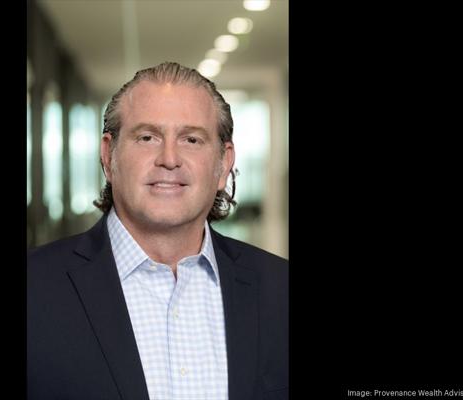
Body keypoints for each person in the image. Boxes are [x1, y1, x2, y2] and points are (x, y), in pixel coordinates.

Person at [27, 62, 288, 400]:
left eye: (191, 139)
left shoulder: (280, 289)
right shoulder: (35, 287)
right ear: (108, 155)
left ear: (223, 164)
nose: (169, 158)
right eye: (147, 137)